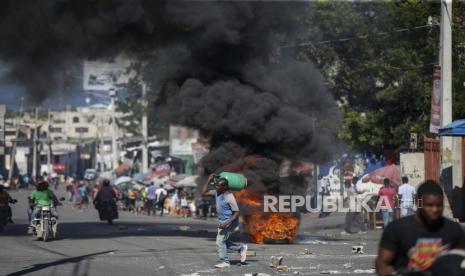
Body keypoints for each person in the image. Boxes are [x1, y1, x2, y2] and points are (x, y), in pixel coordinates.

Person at [375, 180, 465, 275]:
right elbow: (382, 264)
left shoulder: (454, 229)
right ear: (419, 202)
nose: (434, 209)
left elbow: (462, 260)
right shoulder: (396, 229)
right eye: (429, 205)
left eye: (439, 205)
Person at [202, 174, 248, 268]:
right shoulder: (217, 192)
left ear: (224, 187)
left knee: (220, 241)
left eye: (218, 186)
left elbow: (237, 213)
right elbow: (204, 192)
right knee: (224, 242)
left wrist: (226, 223)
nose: (216, 187)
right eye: (216, 185)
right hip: (222, 222)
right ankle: (241, 248)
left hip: (230, 222)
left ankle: (225, 262)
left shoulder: (229, 197)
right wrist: (209, 179)